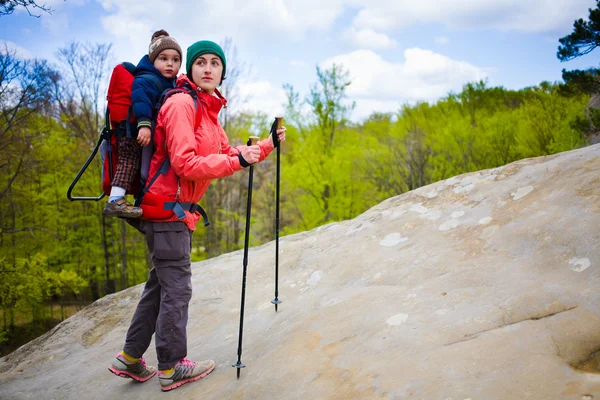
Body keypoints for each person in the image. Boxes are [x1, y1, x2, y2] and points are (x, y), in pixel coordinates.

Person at [107, 40, 287, 392]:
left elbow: (226, 151)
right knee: (177, 290)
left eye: (215, 63)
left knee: (159, 287)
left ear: (222, 71)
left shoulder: (206, 110)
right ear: (190, 69)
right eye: (200, 62)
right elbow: (185, 164)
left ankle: (129, 357)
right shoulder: (180, 104)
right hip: (167, 211)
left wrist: (265, 146)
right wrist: (238, 161)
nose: (208, 68)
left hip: (173, 212)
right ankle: (172, 366)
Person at [103, 30, 182, 218]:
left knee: (143, 168)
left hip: (141, 132)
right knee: (129, 162)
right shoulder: (145, 79)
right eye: (163, 58)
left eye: (175, 60)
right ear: (152, 60)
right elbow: (140, 101)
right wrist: (144, 124)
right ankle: (114, 200)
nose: (170, 63)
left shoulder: (168, 82)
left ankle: (138, 199)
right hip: (132, 132)